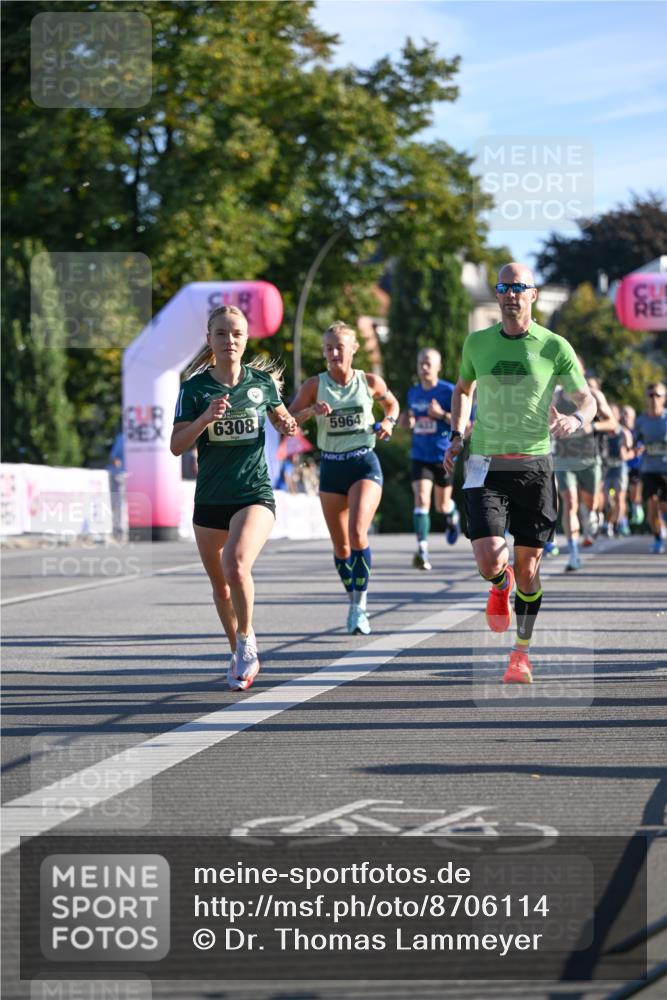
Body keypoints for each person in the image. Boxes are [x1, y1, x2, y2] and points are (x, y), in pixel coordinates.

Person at [444, 262, 596, 684]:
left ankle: (521, 653)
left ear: (532, 294)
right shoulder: (477, 343)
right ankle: (498, 582)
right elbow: (462, 390)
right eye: (503, 286)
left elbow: (587, 398)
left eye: (518, 287)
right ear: (497, 295)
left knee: (530, 569)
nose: (510, 294)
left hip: (534, 465)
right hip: (486, 463)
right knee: (490, 556)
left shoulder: (553, 346)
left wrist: (576, 420)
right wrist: (456, 435)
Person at [170, 305, 297, 692]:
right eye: (222, 334)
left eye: (237, 334)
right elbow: (177, 447)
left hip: (253, 492)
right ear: (210, 340)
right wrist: (205, 418)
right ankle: (239, 648)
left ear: (246, 339)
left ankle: (246, 641)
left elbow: (281, 419)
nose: (230, 340)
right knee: (221, 588)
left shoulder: (261, 383)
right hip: (210, 498)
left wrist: (289, 422)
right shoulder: (194, 390)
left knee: (236, 565)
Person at [290, 320, 400, 635]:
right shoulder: (315, 384)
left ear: (353, 349)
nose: (334, 353)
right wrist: (311, 412)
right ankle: (353, 599)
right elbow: (287, 418)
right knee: (340, 548)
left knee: (357, 533)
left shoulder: (368, 381)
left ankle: (360, 607)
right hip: (332, 467)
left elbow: (391, 403)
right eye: (328, 348)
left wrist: (389, 422)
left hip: (363, 462)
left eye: (340, 347)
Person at [552, 362, 615, 570]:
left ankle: (593, 515)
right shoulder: (555, 395)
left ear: (582, 371)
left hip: (588, 458)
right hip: (563, 456)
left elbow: (612, 423)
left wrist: (591, 425)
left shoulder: (594, 394)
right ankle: (574, 553)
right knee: (569, 503)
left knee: (590, 503)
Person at [405, 348, 460, 570]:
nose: (424, 368)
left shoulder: (450, 391)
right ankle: (422, 550)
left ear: (438, 366)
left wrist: (442, 416)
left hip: (443, 456)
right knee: (421, 500)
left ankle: (452, 514)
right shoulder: (413, 392)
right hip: (420, 455)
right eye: (420, 363)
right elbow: (410, 418)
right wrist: (407, 420)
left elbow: (466, 425)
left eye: (428, 363)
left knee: (442, 505)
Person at [634, 381, 667, 553]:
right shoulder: (641, 420)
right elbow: (634, 441)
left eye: (658, 395)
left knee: (664, 507)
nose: (654, 399)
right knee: (652, 505)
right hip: (649, 469)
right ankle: (657, 539)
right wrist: (636, 447)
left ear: (664, 398)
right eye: (650, 395)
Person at [600, 404, 633, 536]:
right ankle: (607, 523)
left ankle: (619, 524)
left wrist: (626, 454)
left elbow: (631, 452)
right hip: (606, 470)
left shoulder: (624, 432)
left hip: (620, 469)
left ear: (618, 416)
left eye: (614, 413)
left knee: (620, 498)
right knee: (607, 500)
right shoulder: (602, 433)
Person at [621, 405, 645, 527]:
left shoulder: (638, 431)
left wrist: (633, 452)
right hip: (621, 468)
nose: (625, 417)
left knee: (635, 493)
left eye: (627, 415)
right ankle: (623, 522)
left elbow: (642, 448)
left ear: (633, 417)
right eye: (623, 414)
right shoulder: (618, 431)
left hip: (636, 467)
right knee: (621, 496)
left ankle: (637, 508)